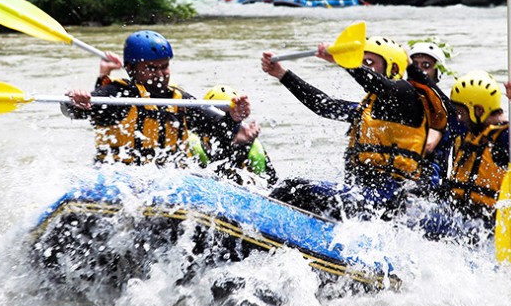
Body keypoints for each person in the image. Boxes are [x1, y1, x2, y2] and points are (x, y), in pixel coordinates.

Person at [260, 36, 431, 219]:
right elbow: (324, 106)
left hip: (385, 203)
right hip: (361, 197)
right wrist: (282, 74)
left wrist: (342, 60)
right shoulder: (367, 109)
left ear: (394, 69)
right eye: (362, 62)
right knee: (293, 190)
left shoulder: (407, 95)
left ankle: (259, 221)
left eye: (369, 62)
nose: (363, 66)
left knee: (292, 189)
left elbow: (375, 82)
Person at [63, 30, 255, 167]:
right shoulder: (119, 93)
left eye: (164, 67)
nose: (160, 74)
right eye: (151, 68)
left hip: (167, 182)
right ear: (130, 69)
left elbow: (220, 129)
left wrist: (234, 117)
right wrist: (76, 102)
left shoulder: (181, 100)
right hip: (119, 177)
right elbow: (75, 111)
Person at [442, 71, 511, 228]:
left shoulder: (503, 140)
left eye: (461, 113)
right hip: (462, 214)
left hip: (493, 222)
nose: (458, 118)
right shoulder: (469, 131)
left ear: (478, 110)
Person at [405, 42, 464, 195]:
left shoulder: (446, 110)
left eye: (426, 65)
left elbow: (428, 145)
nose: (419, 70)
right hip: (400, 179)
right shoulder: (397, 102)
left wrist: (413, 69)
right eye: (415, 65)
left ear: (437, 73)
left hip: (430, 188)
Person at [190, 84, 278, 187]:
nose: (224, 124)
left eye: (230, 118)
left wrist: (239, 144)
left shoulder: (251, 145)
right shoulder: (194, 141)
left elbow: (273, 184)